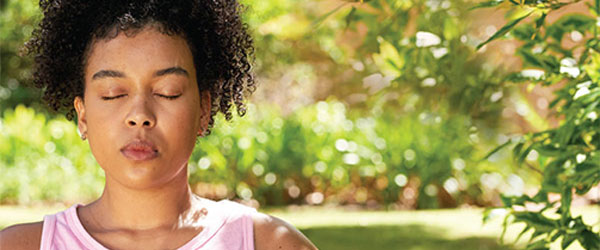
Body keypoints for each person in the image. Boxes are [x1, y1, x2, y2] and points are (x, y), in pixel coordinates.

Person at [0, 0, 318, 249]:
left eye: (168, 92)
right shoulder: (21, 246)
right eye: (113, 94)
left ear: (203, 110)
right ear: (83, 116)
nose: (140, 114)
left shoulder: (269, 243)